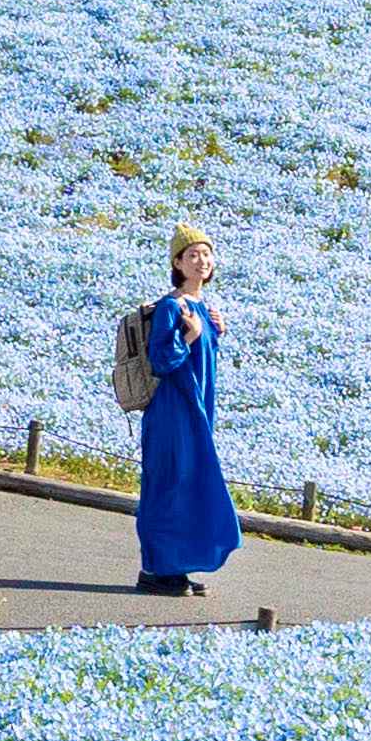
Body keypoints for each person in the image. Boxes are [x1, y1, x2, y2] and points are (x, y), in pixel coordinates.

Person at [133, 227, 242, 595]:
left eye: (205, 254)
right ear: (177, 263)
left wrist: (214, 334)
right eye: (192, 255)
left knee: (189, 485)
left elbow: (202, 364)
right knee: (167, 485)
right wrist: (191, 336)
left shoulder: (203, 309)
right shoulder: (170, 306)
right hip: (171, 411)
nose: (201, 261)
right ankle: (156, 569)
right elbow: (162, 360)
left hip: (197, 410)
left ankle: (176, 566)